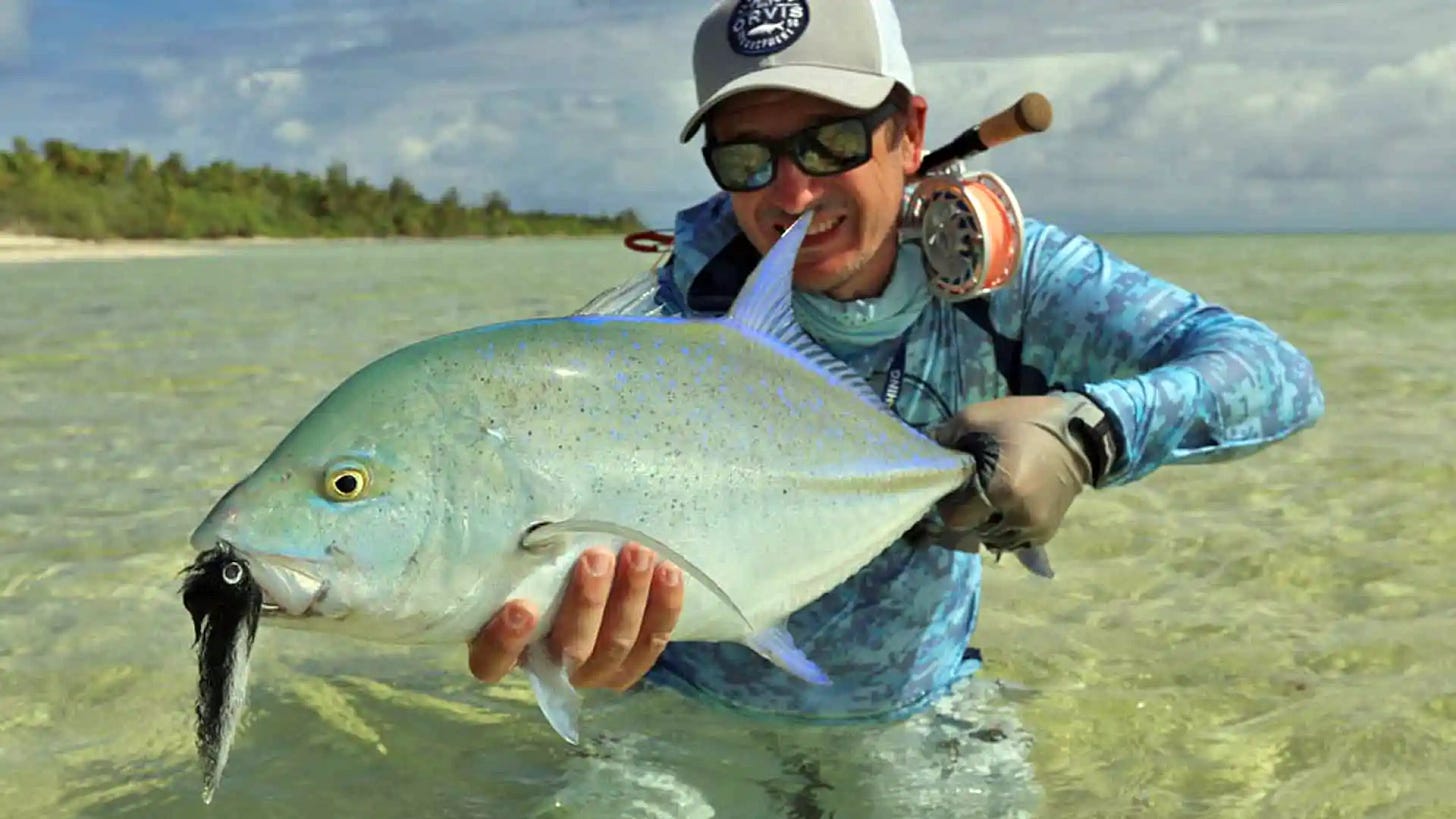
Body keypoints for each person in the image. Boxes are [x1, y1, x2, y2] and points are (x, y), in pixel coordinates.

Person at [467, 0, 1324, 806]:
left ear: (910, 132)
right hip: (682, 722)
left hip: (920, 714)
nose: (792, 193)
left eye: (831, 141)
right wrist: (552, 633)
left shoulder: (1009, 284)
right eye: (745, 159)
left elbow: (1273, 372)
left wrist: (1088, 433)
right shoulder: (655, 328)